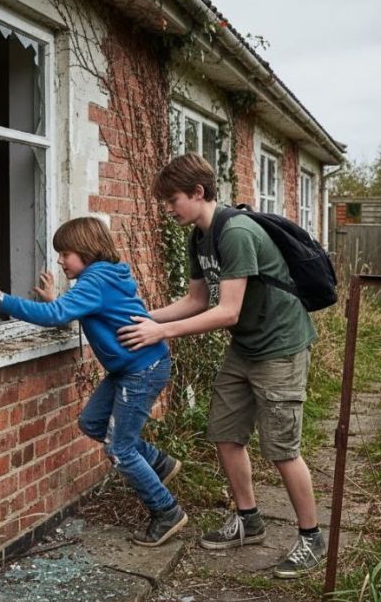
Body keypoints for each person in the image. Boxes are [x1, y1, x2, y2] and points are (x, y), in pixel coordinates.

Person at [117, 154, 325, 578]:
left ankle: (311, 538)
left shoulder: (236, 232)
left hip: (281, 347)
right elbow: (196, 301)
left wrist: (162, 334)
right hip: (246, 346)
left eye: (172, 199)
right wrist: (143, 318)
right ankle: (248, 520)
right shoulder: (199, 238)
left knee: (282, 449)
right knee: (226, 435)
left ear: (198, 192)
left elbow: (227, 311)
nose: (168, 208)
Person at [0, 216, 187, 547]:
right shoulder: (101, 276)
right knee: (92, 423)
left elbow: (58, 316)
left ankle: (167, 512)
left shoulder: (95, 280)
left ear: (86, 252)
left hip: (141, 370)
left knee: (119, 449)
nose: (60, 260)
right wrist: (55, 303)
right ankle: (158, 462)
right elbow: (68, 311)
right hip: (130, 369)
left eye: (65, 254)